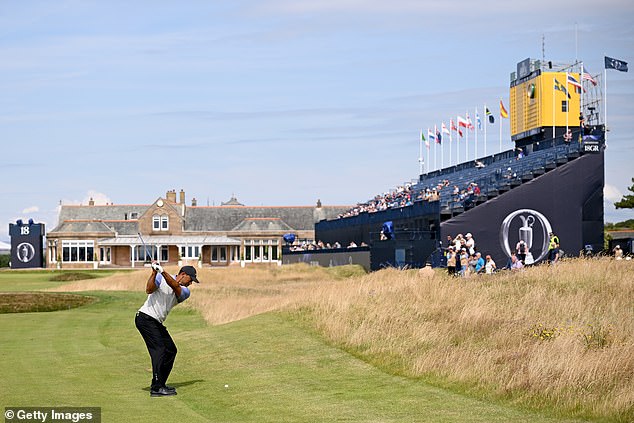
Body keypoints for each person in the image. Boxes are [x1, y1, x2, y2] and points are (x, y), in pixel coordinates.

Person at [135, 263, 199, 397]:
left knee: (171, 350)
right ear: (183, 275)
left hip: (155, 321)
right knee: (159, 350)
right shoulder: (160, 277)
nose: (191, 283)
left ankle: (160, 384)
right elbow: (149, 289)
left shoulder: (185, 291)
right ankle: (157, 388)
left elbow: (175, 286)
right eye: (191, 279)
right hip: (145, 318)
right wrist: (154, 273)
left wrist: (162, 271)